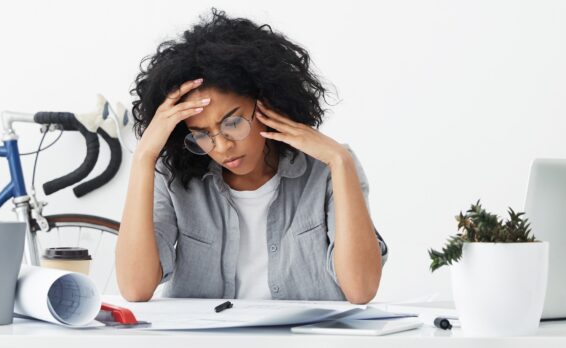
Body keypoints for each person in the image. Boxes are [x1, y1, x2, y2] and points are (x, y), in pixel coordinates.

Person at [115, 9, 387, 304]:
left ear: (268, 104)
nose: (221, 147)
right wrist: (144, 156)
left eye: (232, 123)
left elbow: (361, 290)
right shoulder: (172, 177)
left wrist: (340, 161)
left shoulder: (328, 168)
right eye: (202, 134)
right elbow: (135, 288)